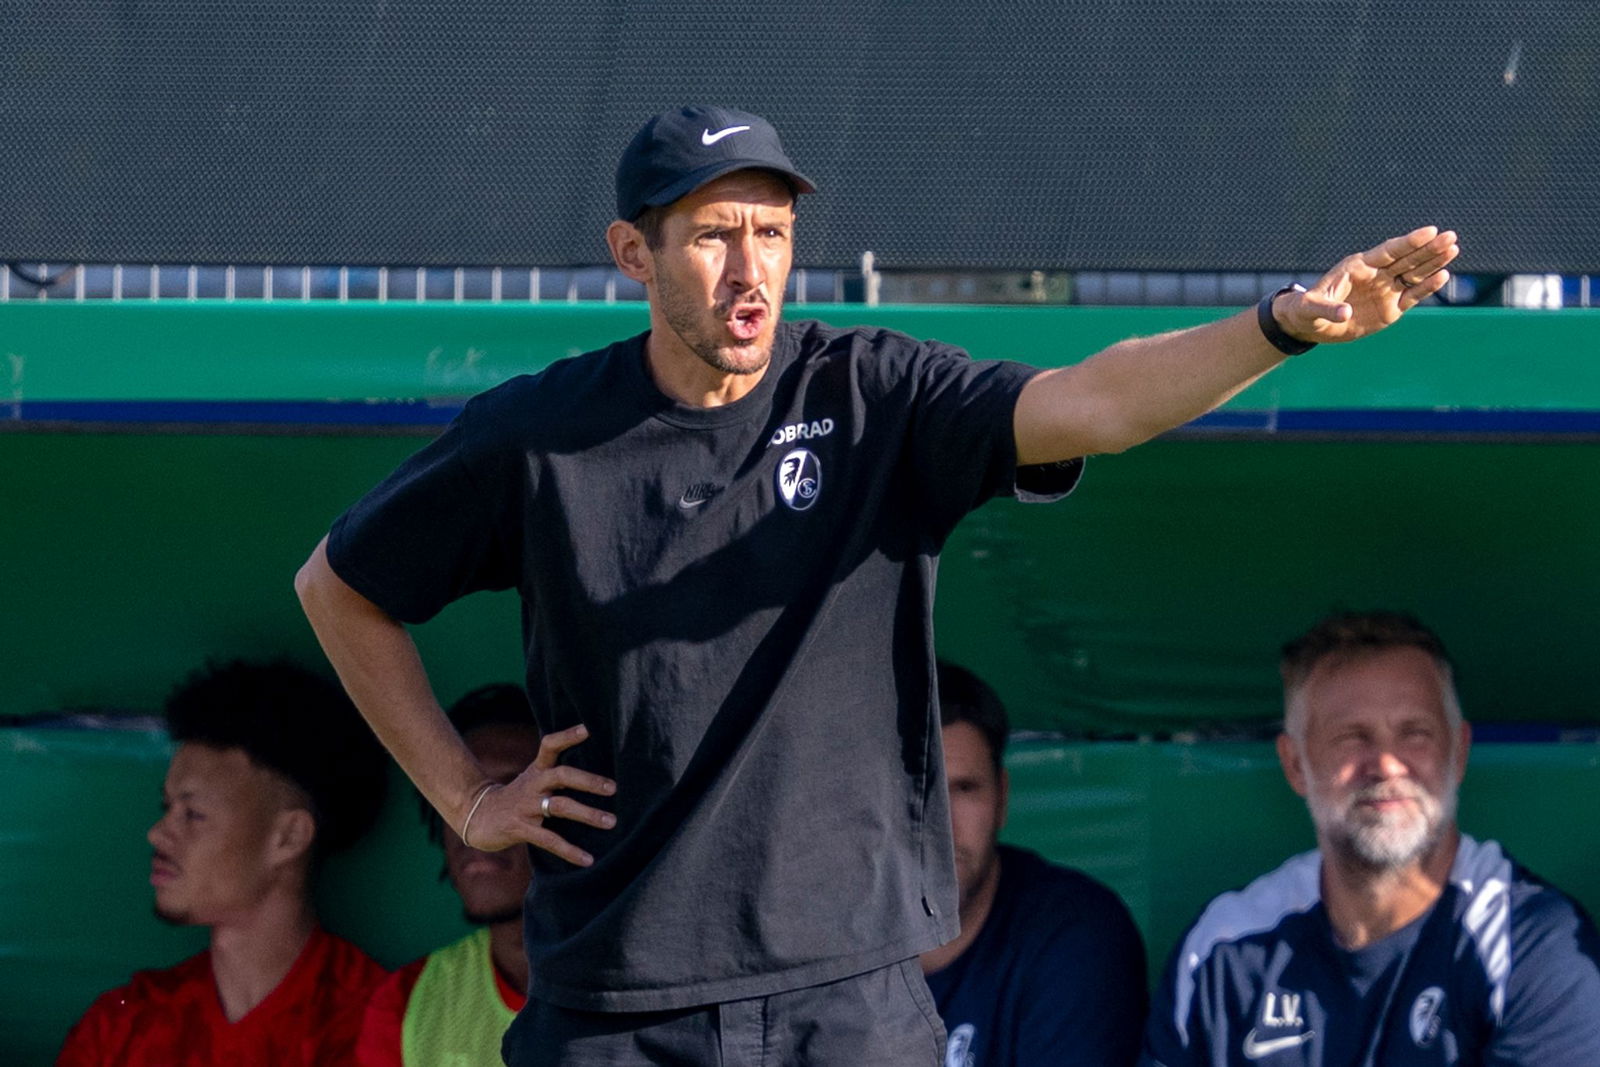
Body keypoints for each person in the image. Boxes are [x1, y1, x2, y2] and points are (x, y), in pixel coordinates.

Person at [294, 102, 1459, 1064]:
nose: (750, 268)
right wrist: (464, 796)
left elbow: (1095, 399)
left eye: (772, 230)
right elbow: (339, 587)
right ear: (631, 252)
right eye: (711, 234)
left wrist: (1282, 327)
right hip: (612, 1005)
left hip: (846, 1001)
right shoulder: (538, 435)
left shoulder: (872, 393)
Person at [1141, 611, 1600, 1066]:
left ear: (1458, 753)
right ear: (1296, 764)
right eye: (1352, 737)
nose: (1386, 764)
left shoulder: (1529, 944)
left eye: (1414, 734)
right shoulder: (1224, 948)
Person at [56, 658, 390, 1067]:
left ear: (288, 837)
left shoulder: (383, 1027)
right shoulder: (123, 1023)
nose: (157, 834)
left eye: (193, 814)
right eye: (166, 807)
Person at [922, 660, 1146, 1067]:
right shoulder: (815, 941)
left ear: (1002, 797)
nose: (942, 825)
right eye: (921, 794)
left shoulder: (1073, 933)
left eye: (964, 789)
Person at [357, 683, 541, 1066]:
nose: (478, 827)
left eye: (511, 792)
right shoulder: (409, 1001)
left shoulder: (645, 981)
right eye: (462, 802)